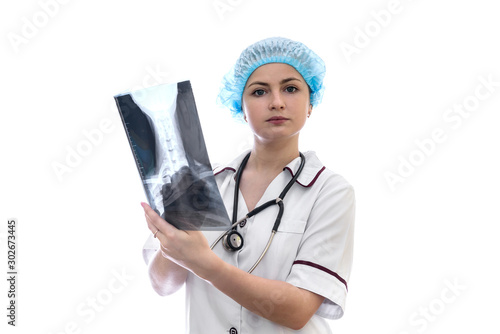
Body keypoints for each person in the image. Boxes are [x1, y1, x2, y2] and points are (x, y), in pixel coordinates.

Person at [141, 36, 355, 333]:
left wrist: (206, 264)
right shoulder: (201, 185)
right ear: (240, 106)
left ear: (310, 103)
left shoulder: (330, 191)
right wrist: (175, 235)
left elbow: (297, 310)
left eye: (291, 88)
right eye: (259, 92)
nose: (277, 102)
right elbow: (162, 285)